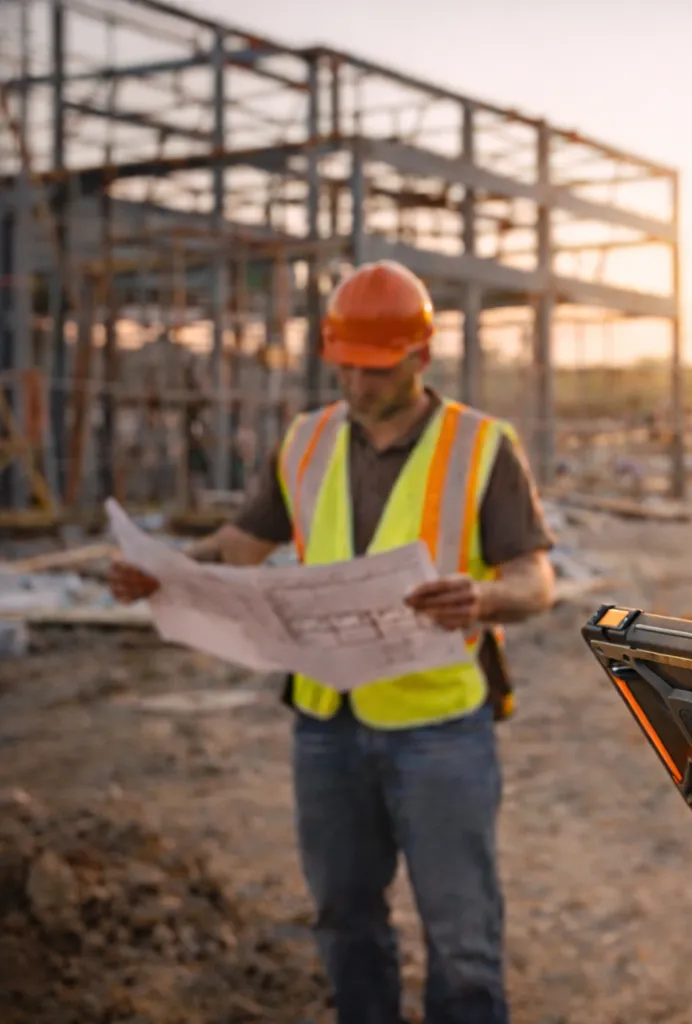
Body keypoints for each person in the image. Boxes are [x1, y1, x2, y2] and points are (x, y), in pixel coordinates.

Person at [108, 259, 556, 1024]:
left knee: (463, 940)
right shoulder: (306, 441)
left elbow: (536, 581)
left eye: (374, 369)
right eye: (344, 366)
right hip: (326, 724)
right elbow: (242, 545)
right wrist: (168, 574)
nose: (355, 383)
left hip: (441, 728)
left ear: (420, 355)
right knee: (344, 922)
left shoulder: (483, 445)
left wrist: (484, 596)